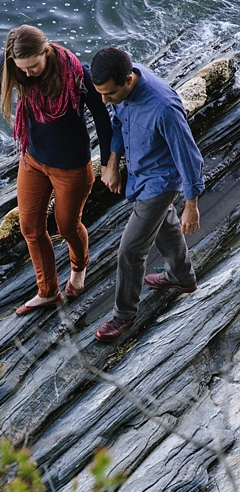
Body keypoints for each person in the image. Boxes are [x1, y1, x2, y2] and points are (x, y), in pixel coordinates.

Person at [0, 25, 112, 316]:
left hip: (71, 167)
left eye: (34, 65)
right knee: (31, 229)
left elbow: (102, 118)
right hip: (33, 161)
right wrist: (8, 55)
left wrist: (109, 163)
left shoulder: (76, 73)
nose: (28, 74)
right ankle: (48, 291)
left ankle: (79, 267)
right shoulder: (19, 69)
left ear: (47, 51)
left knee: (67, 227)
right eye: (21, 68)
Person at [90, 47, 204, 342]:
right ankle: (182, 277)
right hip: (140, 174)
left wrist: (191, 205)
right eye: (100, 93)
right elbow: (117, 122)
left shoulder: (164, 108)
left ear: (128, 80)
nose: (104, 100)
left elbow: (189, 156)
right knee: (164, 222)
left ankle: (123, 315)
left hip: (160, 182)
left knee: (130, 250)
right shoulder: (122, 83)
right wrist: (112, 163)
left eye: (109, 94)